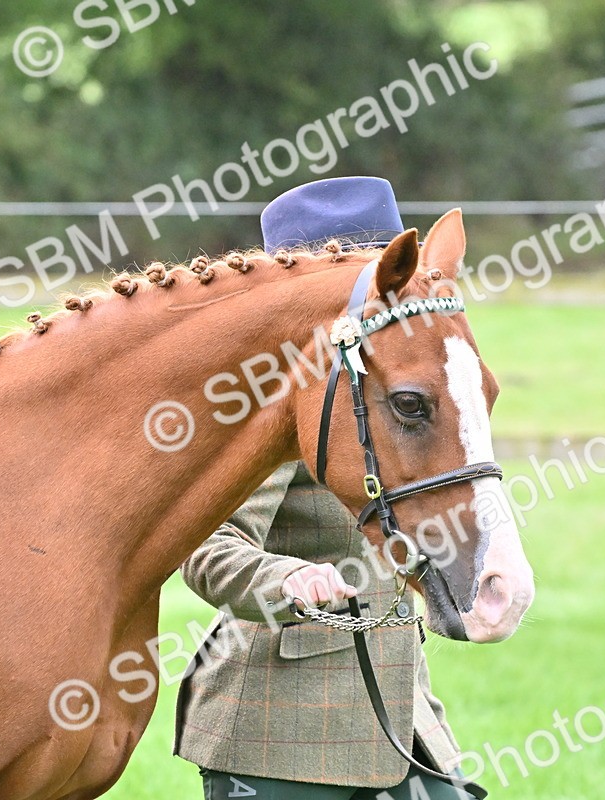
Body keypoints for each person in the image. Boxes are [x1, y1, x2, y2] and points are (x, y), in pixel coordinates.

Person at [174, 177, 479, 800]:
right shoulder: (287, 406)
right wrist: (285, 579)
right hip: (280, 732)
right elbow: (207, 550)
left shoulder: (394, 389)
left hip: (402, 712)